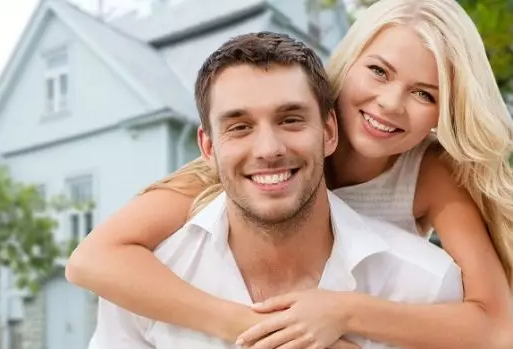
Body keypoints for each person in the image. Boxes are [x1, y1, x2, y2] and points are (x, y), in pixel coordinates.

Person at [67, 0, 513, 348]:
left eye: (423, 93)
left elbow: (496, 327)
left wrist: (343, 314)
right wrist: (256, 328)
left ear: (445, 112)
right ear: (348, 63)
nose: (391, 103)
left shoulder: (429, 175)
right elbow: (93, 258)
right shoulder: (252, 163)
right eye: (378, 71)